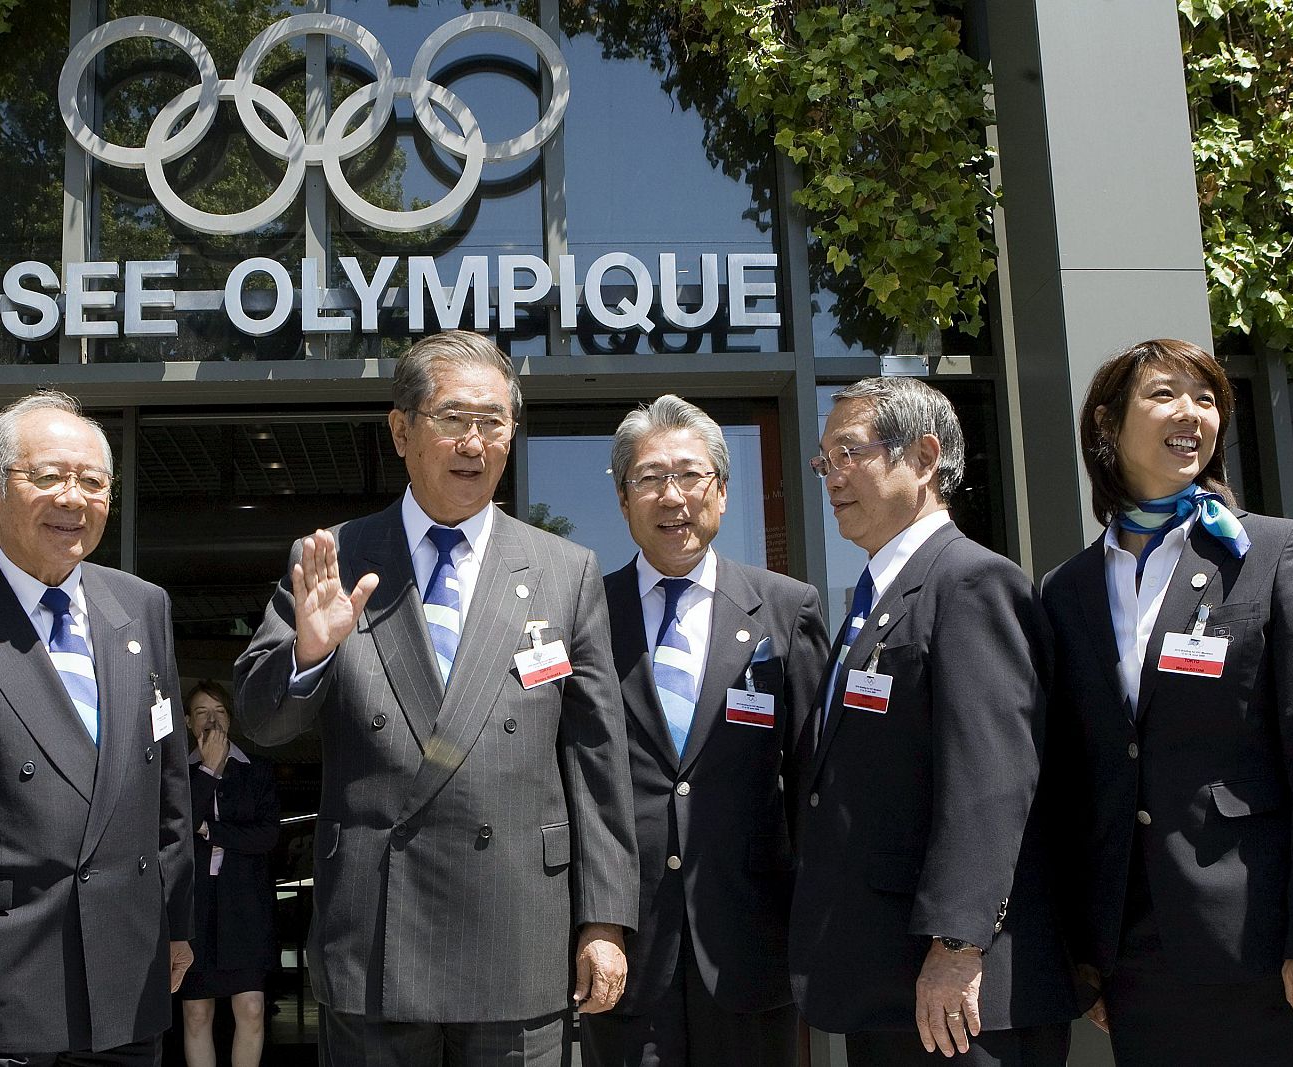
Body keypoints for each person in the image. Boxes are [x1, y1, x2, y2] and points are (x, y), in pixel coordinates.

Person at [234, 329, 639, 1067]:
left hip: (520, 931)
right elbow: (260, 723)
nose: (473, 443)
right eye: (453, 418)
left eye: (493, 422)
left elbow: (595, 758)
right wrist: (308, 652)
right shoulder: (332, 558)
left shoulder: (563, 569)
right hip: (379, 934)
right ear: (401, 429)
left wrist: (605, 918)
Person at [1041, 338, 1293, 1064]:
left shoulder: (1276, 552)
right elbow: (1074, 781)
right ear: (1106, 425)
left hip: (1262, 945)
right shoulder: (1066, 589)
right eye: (1163, 394)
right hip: (1134, 957)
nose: (1191, 413)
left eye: (1206, 399)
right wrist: (1086, 953)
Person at [787, 376, 1075, 1066]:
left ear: (921, 457)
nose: (832, 475)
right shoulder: (877, 596)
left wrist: (956, 945)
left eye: (849, 452)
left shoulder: (971, 581)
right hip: (887, 980)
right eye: (825, 459)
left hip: (958, 995)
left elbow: (992, 782)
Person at [0, 391, 195, 1065]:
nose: (75, 497)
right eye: (49, 476)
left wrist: (176, 924)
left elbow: (170, 785)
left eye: (94, 481)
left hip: (127, 983)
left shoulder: (141, 605)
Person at [580, 395, 830, 1067]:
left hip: (750, 946)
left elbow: (815, 778)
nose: (673, 496)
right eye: (650, 477)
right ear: (625, 498)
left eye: (690, 475)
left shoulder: (786, 607)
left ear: (721, 491)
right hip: (624, 950)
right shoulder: (584, 613)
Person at [179, 680, 280, 1067]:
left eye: (220, 711)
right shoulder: (178, 772)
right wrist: (206, 769)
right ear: (189, 722)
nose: (212, 719)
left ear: (231, 719)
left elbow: (268, 834)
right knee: (197, 1013)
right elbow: (178, 824)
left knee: (252, 1008)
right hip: (195, 906)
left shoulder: (256, 770)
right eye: (202, 712)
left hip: (244, 904)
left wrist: (211, 831)